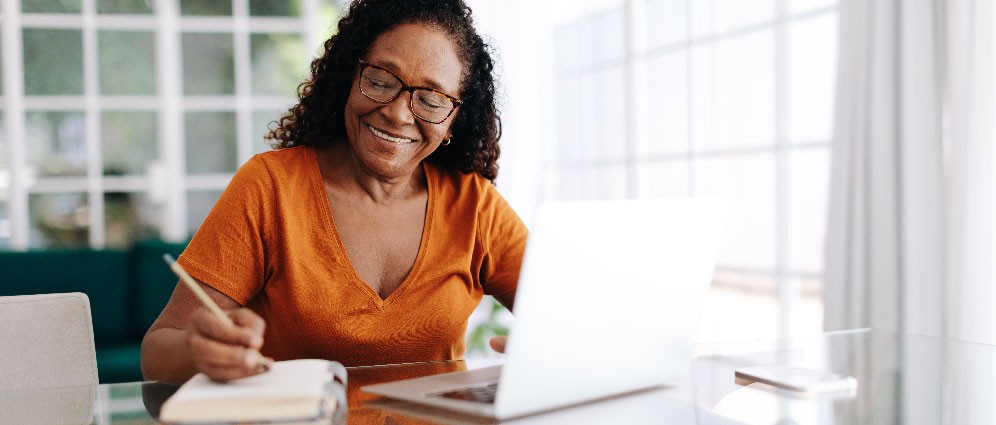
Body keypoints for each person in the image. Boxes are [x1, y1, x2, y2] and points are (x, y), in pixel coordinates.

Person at [140, 0, 527, 384]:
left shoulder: (475, 207)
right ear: (349, 77)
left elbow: (560, 316)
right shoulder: (270, 188)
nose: (397, 113)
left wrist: (550, 347)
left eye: (430, 100)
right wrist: (197, 351)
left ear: (454, 121)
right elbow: (157, 350)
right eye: (380, 81)